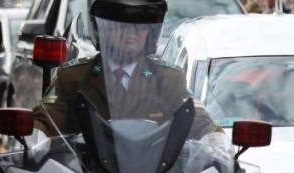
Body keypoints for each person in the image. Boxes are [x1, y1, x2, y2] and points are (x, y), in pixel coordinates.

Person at [34, 0, 218, 139]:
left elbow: (197, 119)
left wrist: (214, 140)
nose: (130, 33)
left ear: (150, 33)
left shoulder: (168, 78)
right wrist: (33, 134)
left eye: (140, 26)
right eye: (121, 25)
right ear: (102, 30)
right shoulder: (73, 77)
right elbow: (46, 121)